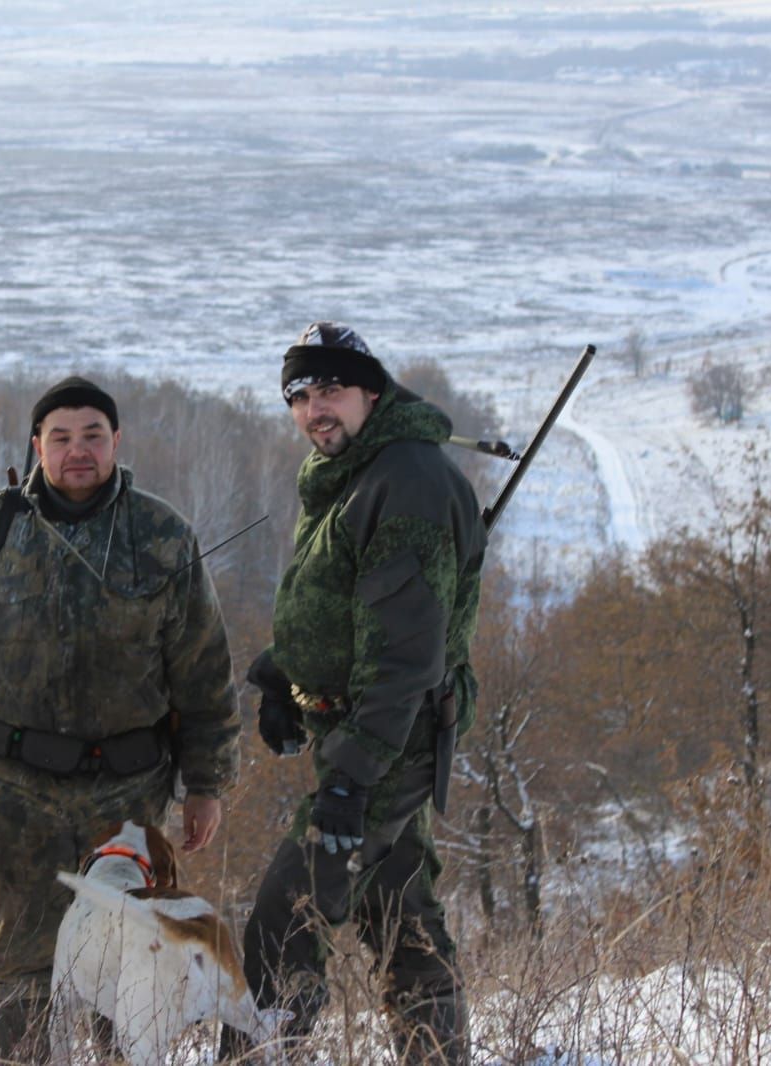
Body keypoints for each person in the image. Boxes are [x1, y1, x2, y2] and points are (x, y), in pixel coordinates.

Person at [0, 375, 242, 1063]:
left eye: (92, 435)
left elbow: (202, 671)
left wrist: (206, 783)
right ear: (36, 446)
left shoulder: (162, 535)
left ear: (116, 441)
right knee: (20, 974)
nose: (77, 450)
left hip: (127, 796)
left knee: (130, 973)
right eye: (60, 437)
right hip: (12, 794)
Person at [228, 323, 486, 1064]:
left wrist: (348, 781)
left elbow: (405, 653)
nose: (316, 409)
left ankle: (260, 1053)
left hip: (385, 740)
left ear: (371, 391)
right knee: (397, 903)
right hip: (365, 733)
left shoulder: (404, 481)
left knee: (288, 913)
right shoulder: (357, 472)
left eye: (331, 390)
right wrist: (285, 674)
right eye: (300, 395)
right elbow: (347, 606)